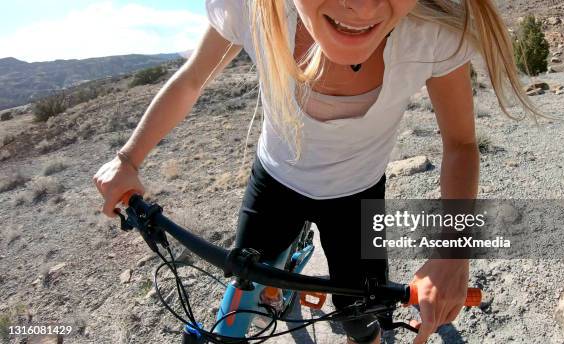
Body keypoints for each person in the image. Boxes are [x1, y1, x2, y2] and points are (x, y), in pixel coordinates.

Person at [93, 1, 541, 343]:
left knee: (361, 322)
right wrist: (128, 159)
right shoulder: (254, 9)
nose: (363, 8)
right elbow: (192, 80)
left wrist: (453, 254)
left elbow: (460, 144)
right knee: (239, 293)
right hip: (274, 182)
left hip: (358, 195)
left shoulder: (430, 34)